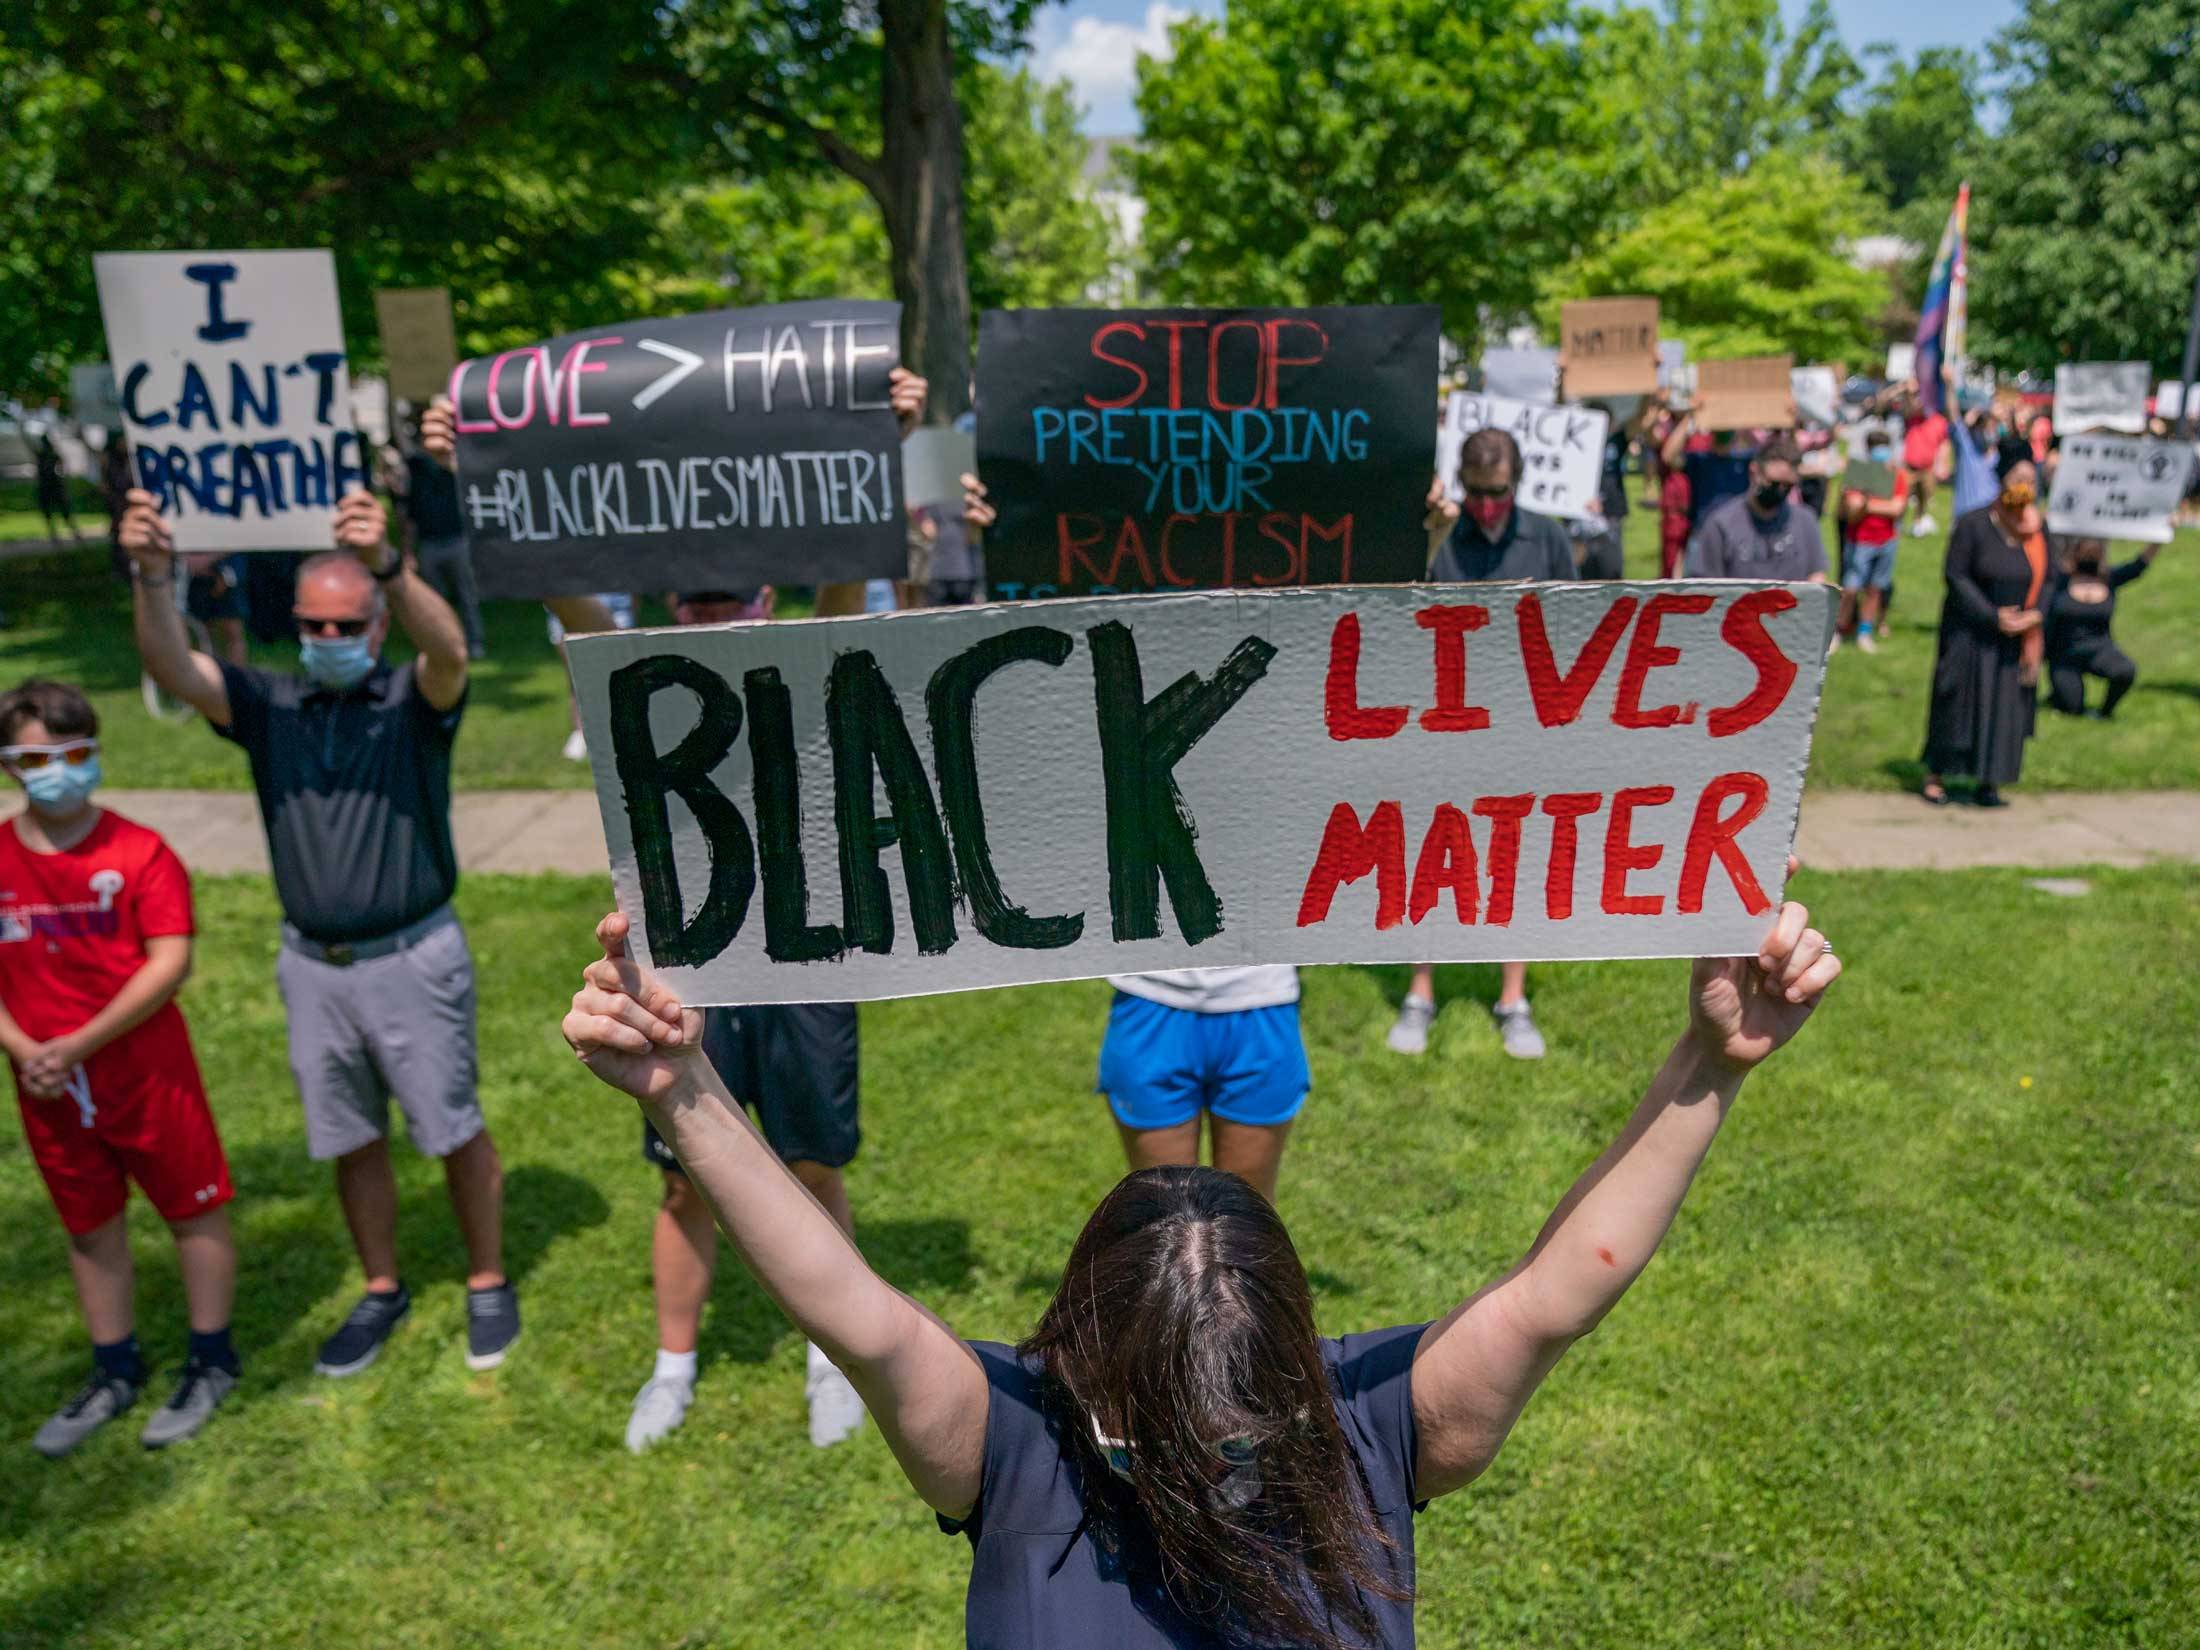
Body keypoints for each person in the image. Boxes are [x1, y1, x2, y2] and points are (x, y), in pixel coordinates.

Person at [561, 882, 1840, 1650]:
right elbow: (847, 1308)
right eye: (1158, 1441)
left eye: (1236, 1439)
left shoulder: (1349, 1430)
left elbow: (1569, 1282)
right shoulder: (1025, 1446)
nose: (1201, 1467)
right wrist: (682, 1096)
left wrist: (1713, 1062)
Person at [421, 373, 884, 1452]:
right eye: (691, 599)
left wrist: (873, 443)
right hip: (686, 963)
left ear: (764, 599)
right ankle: (673, 1367)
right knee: (684, 1181)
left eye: (730, 595)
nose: (711, 611)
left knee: (814, 1169)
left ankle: (833, 1355)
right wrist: (477, 476)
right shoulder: (634, 681)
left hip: (806, 959)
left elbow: (844, 589)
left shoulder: (804, 665)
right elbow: (566, 599)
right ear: (667, 609)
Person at [118, 485, 521, 1377]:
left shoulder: (409, 700)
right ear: (294, 626)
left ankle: (488, 1277)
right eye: (314, 625)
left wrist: (390, 566)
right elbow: (177, 670)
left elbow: (450, 650)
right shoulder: (271, 705)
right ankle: (381, 1286)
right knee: (350, 1136)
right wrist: (151, 576)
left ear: (376, 629)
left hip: (412, 954)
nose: (329, 638)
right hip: (313, 966)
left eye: (346, 625)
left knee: (452, 1125)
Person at [1, 679, 241, 1455]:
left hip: (146, 1074)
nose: (56, 772)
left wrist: (76, 1043)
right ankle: (114, 1368)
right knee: (88, 1223)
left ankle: (211, 1358)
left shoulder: (140, 852)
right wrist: (23, 1048)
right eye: (36, 758)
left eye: (73, 754)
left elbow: (167, 963)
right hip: (44, 1082)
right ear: (8, 765)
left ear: (95, 754)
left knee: (193, 1208)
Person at [1392, 429, 1574, 1059]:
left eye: (1496, 493)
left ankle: (1512, 998)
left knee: (1514, 857)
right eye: (1475, 493)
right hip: (1443, 719)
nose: (1486, 506)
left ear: (1517, 484)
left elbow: (1576, 624)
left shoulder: (1547, 538)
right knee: (1430, 851)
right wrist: (1433, 530)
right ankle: (1420, 991)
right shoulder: (1442, 535)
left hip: (1523, 721)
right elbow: (1399, 604)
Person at [1919, 460, 2049, 807]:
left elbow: (2050, 577)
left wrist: (2035, 614)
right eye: (2017, 479)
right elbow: (1956, 575)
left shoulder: (2038, 530)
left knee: (2003, 709)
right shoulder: (1974, 523)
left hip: (2016, 638)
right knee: (1956, 703)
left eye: (2030, 480)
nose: (2024, 486)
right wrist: (1992, 616)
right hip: (1969, 630)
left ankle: (1989, 779)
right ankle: (1937, 775)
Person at [398, 411, 486, 660]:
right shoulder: (416, 469)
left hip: (457, 541)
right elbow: (409, 516)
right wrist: (407, 550)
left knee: (467, 596)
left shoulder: (456, 466)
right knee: (433, 601)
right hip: (429, 544)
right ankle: (441, 645)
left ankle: (474, 641)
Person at [1682, 436, 1827, 585]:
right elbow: (1706, 587)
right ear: (1754, 472)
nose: (1780, 490)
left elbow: (1816, 579)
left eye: (1787, 485)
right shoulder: (1721, 525)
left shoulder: (1805, 521)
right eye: (1773, 483)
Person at [2044, 537, 2160, 719]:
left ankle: (2106, 712)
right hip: (2065, 657)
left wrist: (2159, 537)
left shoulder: (2109, 579)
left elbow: (2139, 565)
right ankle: (2058, 693)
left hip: (2099, 651)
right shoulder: (2060, 580)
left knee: (2125, 671)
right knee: (2072, 708)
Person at [1833, 433, 1906, 653]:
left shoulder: (1897, 475)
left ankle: (1864, 632)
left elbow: (1897, 508)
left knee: (1875, 589)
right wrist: (1878, 505)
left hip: (1886, 541)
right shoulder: (1858, 474)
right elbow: (1852, 510)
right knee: (1850, 589)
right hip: (1860, 541)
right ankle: (1837, 630)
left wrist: (1868, 505)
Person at [1568, 400, 1632, 579]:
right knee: (1580, 580)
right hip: (1578, 524)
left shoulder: (1615, 442)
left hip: (1609, 521)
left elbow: (1637, 424)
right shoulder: (1572, 445)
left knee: (1611, 576)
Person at [183, 555, 251, 667]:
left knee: (233, 633)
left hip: (229, 568)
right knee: (203, 633)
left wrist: (206, 561)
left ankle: (237, 675)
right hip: (199, 575)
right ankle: (209, 673)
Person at [1901, 394, 1949, 538]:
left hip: (1928, 468)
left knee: (1923, 498)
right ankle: (1897, 523)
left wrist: (1943, 464)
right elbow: (1908, 405)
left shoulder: (1940, 421)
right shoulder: (1913, 418)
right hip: (1909, 466)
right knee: (1902, 496)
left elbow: (1944, 444)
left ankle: (1918, 524)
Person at [35, 427, 84, 544]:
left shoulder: (46, 455)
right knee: (58, 510)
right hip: (50, 485)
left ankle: (66, 532)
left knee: (61, 510)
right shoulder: (46, 455)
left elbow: (61, 466)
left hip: (50, 485)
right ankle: (61, 533)